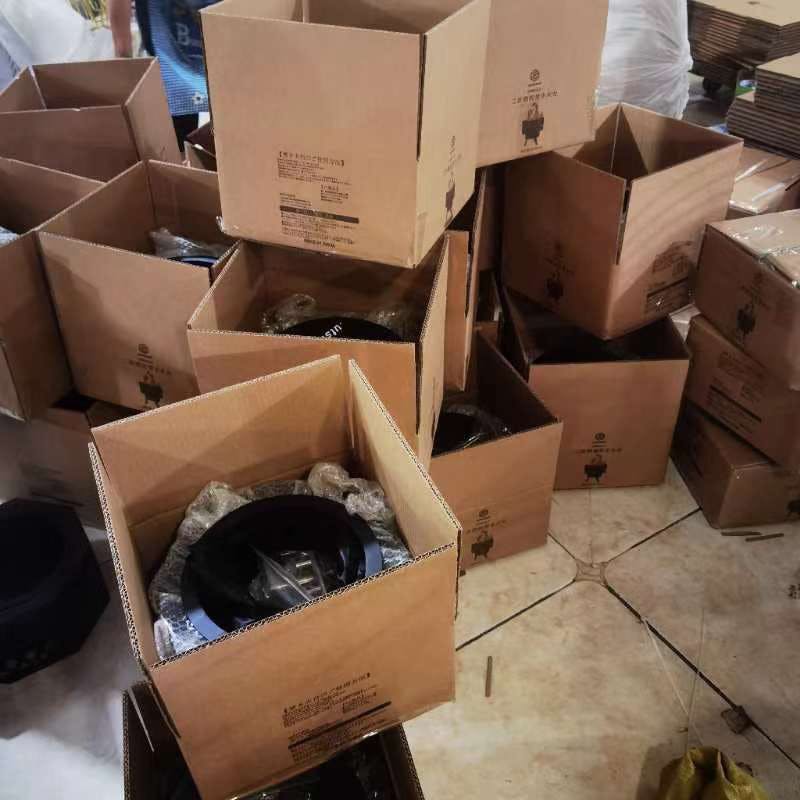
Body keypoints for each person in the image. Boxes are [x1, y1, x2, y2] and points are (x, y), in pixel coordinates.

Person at [108, 0, 218, 145]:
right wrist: (123, 55)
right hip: (168, 37)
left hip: (222, 25)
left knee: (232, 108)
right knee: (178, 114)